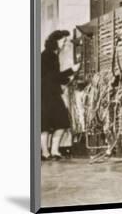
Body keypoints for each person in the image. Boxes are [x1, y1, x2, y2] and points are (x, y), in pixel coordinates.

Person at [41, 30, 80, 161]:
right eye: (63, 40)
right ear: (55, 41)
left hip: (49, 93)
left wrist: (69, 79)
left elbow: (54, 78)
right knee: (51, 124)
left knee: (57, 123)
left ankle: (51, 151)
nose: (64, 43)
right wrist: (71, 70)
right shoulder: (48, 56)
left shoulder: (50, 55)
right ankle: (48, 152)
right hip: (47, 95)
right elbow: (52, 77)